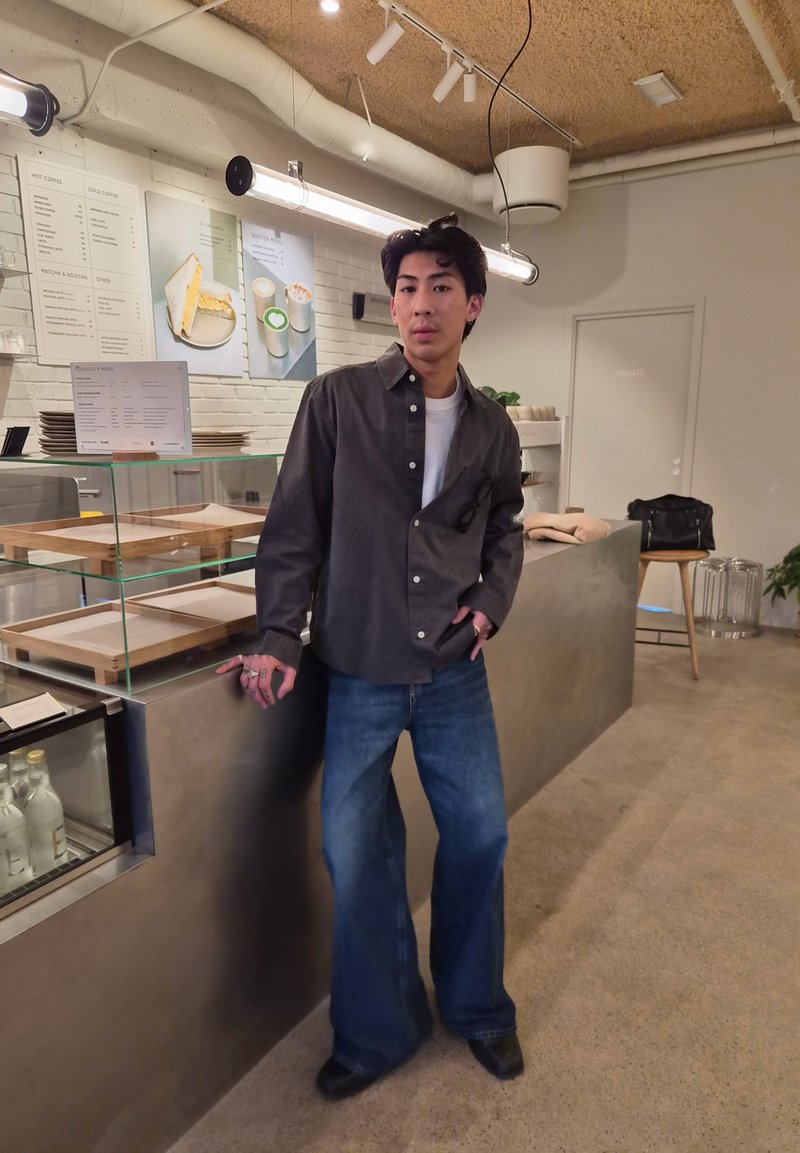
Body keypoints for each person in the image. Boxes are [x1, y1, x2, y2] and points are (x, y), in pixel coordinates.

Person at [218, 214, 524, 1099]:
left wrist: (493, 605)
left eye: (438, 287)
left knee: (481, 833)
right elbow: (292, 530)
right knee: (358, 852)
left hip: (455, 669)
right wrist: (278, 632)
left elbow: (505, 530)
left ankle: (476, 1007)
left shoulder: (492, 427)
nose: (419, 305)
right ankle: (379, 1029)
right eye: (405, 287)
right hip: (358, 664)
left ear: (473, 304)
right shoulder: (338, 400)